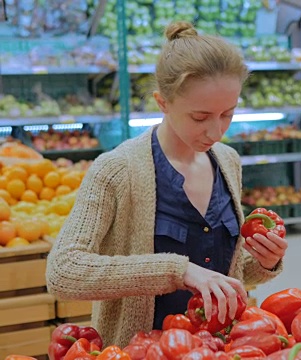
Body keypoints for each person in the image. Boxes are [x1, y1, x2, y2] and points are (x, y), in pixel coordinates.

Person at [45, 21, 288, 348]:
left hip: (217, 348)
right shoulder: (117, 170)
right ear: (163, 103)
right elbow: (63, 271)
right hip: (139, 350)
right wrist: (178, 271)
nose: (216, 132)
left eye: (227, 114)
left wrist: (264, 261)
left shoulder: (227, 162)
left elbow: (221, 271)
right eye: (200, 117)